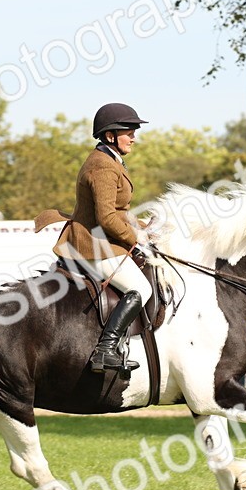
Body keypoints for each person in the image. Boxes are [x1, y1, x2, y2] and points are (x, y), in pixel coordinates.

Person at [43, 102, 151, 372]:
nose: (134, 137)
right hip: (93, 245)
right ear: (110, 135)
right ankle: (105, 350)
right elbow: (107, 218)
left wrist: (144, 226)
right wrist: (136, 239)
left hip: (101, 240)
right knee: (142, 289)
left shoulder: (109, 160)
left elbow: (119, 211)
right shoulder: (102, 166)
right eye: (129, 131)